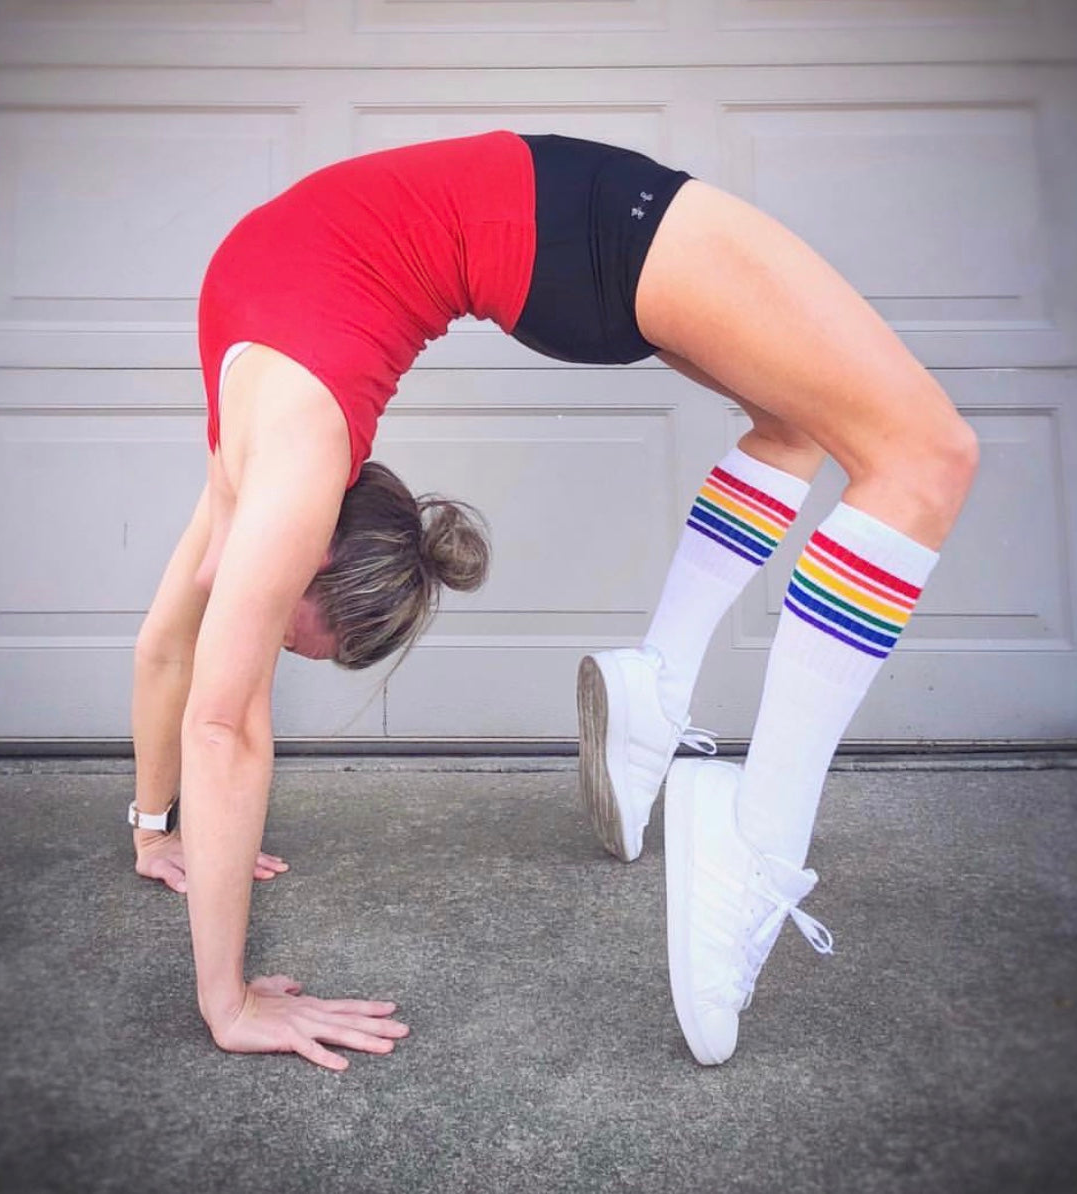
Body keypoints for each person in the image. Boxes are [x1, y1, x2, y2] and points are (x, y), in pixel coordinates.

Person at [128, 131, 978, 1071]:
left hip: (588, 230)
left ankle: (708, 772)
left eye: (282, 623)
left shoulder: (288, 474)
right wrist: (156, 829)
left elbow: (223, 721)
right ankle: (706, 765)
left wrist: (227, 996)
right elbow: (174, 651)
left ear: (310, 553)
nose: (250, 631)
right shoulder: (250, 459)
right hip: (564, 244)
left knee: (875, 446)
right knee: (860, 441)